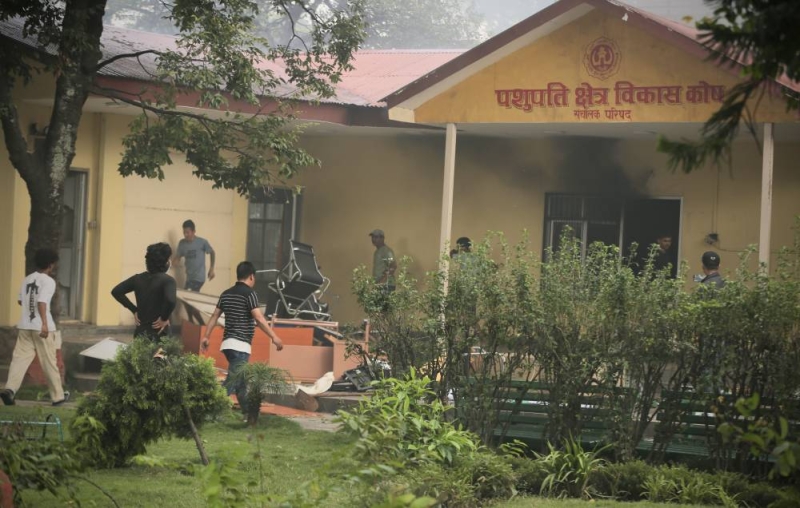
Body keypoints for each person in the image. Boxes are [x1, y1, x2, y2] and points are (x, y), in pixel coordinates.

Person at [201, 261, 284, 415]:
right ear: (251, 276)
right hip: (240, 346)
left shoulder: (226, 294)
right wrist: (274, 337)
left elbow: (214, 316)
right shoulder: (250, 294)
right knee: (232, 382)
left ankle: (249, 415)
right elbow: (258, 318)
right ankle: (210, 412)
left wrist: (206, 336)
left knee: (241, 384)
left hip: (228, 345)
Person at [1, 249, 69, 406]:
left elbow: (20, 301)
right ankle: (58, 396)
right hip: (42, 328)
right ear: (50, 265)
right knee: (49, 361)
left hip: (25, 326)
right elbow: (42, 302)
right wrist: (44, 323)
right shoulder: (48, 281)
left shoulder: (27, 279)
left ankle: (10, 390)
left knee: (19, 360)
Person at [112, 242, 177, 341]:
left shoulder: (137, 279)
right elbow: (170, 300)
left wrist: (134, 310)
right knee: (160, 352)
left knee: (140, 351)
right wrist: (164, 318)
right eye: (169, 258)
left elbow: (116, 291)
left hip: (140, 332)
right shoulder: (168, 280)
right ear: (165, 262)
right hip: (159, 333)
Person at [174, 219, 215, 292]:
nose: (185, 235)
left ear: (194, 231)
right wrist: (172, 263)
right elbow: (178, 257)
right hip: (189, 277)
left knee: (188, 293)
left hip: (199, 278)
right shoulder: (182, 243)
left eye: (187, 232)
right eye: (184, 232)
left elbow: (212, 252)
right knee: (190, 295)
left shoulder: (202, 242)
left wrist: (211, 269)